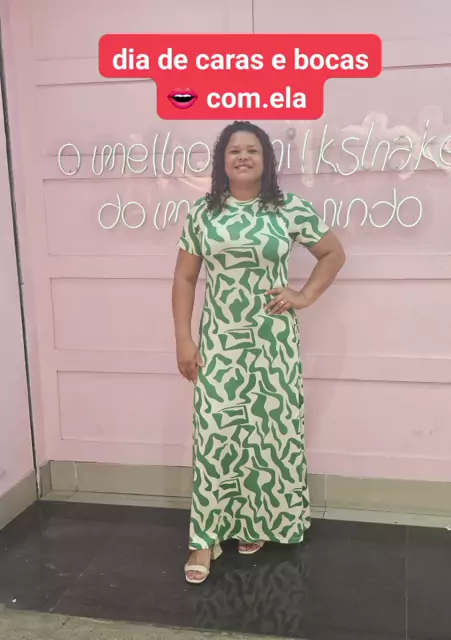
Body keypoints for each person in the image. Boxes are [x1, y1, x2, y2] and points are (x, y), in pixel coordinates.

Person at [172, 120, 345, 585]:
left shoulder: (289, 208)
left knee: (268, 434)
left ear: (266, 160)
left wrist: (304, 296)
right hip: (221, 342)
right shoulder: (203, 212)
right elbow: (185, 278)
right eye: (234, 151)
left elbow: (333, 253)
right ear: (222, 161)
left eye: (252, 150)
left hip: (273, 342)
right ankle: (203, 539)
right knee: (216, 434)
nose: (243, 157)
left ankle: (256, 523)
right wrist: (184, 339)